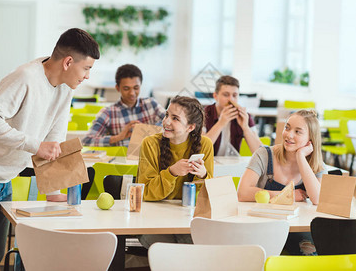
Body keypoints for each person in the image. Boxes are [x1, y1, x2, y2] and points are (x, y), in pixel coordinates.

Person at [0, 28, 100, 271]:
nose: (87, 76)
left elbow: (54, 141)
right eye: (87, 68)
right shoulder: (25, 77)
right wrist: (35, 145)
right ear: (69, 62)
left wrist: (53, 188)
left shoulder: (65, 89)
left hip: (4, 176)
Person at [237, 109, 326, 255]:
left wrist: (301, 158)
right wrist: (286, 195)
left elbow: (317, 199)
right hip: (262, 225)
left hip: (297, 229)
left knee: (310, 255)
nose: (289, 135)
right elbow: (242, 193)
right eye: (287, 127)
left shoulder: (315, 164)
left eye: (298, 132)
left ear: (311, 139)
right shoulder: (264, 154)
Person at [137, 96, 214, 248]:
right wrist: (171, 172)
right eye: (167, 115)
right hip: (153, 219)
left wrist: (204, 175)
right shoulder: (150, 144)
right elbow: (145, 193)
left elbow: (207, 199)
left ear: (190, 127)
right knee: (171, 249)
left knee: (193, 244)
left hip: (187, 219)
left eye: (175, 118)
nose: (166, 122)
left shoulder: (205, 144)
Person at [81, 64, 166, 147]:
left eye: (136, 88)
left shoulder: (151, 104)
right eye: (126, 88)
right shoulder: (108, 113)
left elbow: (172, 123)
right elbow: (86, 141)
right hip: (121, 159)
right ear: (117, 88)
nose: (132, 93)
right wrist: (119, 137)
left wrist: (148, 130)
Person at [205, 75, 262, 156]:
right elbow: (202, 149)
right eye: (226, 95)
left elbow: (259, 153)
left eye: (234, 95)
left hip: (233, 165)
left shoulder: (244, 115)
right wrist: (221, 123)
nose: (231, 99)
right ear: (215, 96)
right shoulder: (204, 114)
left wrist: (245, 127)